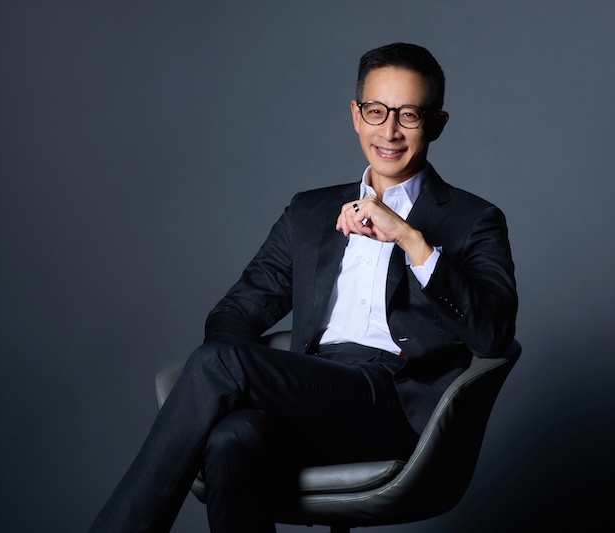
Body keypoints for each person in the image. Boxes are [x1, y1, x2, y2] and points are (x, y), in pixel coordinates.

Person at [89, 42, 518, 533]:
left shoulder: (474, 220)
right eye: (376, 111)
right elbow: (233, 314)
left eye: (409, 115)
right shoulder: (310, 213)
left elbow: (494, 336)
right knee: (232, 436)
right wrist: (255, 385)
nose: (389, 131)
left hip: (393, 402)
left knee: (217, 362)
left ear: (436, 123)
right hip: (308, 388)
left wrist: (409, 238)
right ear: (355, 115)